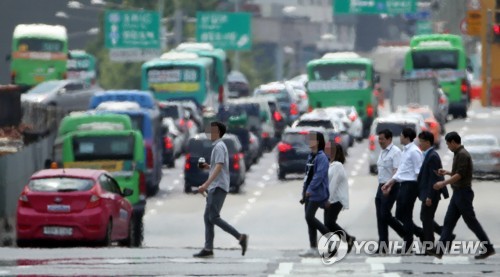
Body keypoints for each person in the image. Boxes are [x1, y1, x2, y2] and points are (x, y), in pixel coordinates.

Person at [431, 132, 495, 259]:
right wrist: (448, 172)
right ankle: (440, 250)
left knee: (471, 222)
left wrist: (443, 183)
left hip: (463, 194)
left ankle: (488, 247)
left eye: (448, 144)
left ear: (454, 142)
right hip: (458, 193)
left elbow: (460, 175)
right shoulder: (459, 154)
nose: (448, 147)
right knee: (449, 221)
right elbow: (459, 173)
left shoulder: (462, 155)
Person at [194, 121, 248, 258]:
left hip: (217, 187)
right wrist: (206, 166)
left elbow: (219, 167)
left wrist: (205, 185)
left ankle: (240, 237)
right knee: (208, 218)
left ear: (218, 132)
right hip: (217, 186)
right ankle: (208, 248)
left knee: (213, 217)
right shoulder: (219, 146)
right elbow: (217, 166)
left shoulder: (219, 146)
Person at [382, 128, 423, 253]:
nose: (399, 137)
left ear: (406, 137)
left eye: (400, 135)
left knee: (406, 215)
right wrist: (389, 183)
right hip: (403, 185)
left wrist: (418, 190)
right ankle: (420, 233)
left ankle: (409, 244)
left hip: (411, 186)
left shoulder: (414, 152)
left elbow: (418, 172)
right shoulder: (405, 151)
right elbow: (401, 172)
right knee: (400, 215)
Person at [416, 131, 449, 253]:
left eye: (422, 142)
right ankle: (442, 237)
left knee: (426, 218)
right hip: (427, 193)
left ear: (428, 142)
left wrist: (429, 196)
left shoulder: (433, 156)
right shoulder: (428, 155)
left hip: (431, 193)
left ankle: (429, 247)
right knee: (425, 218)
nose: (420, 144)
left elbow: (434, 178)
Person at [299, 131, 331, 257]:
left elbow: (319, 176)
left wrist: (310, 190)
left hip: (317, 193)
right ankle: (312, 247)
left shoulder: (321, 157)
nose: (309, 141)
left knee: (309, 217)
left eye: (311, 139)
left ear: (318, 142)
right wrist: (304, 192)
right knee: (309, 220)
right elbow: (307, 175)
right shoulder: (311, 156)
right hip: (308, 193)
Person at [374, 129, 405, 254]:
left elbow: (396, 171)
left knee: (385, 214)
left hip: (391, 186)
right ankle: (383, 245)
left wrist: (389, 187)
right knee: (380, 217)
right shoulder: (382, 152)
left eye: (382, 139)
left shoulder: (396, 152)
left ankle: (405, 233)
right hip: (381, 186)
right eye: (379, 139)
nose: (380, 141)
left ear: (389, 139)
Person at [324, 142, 355, 253]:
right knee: (327, 225)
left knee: (330, 223)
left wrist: (329, 199)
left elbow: (334, 184)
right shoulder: (330, 165)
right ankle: (332, 246)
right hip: (330, 199)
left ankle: (348, 238)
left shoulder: (337, 166)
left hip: (335, 199)